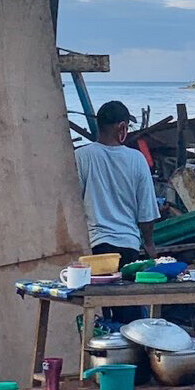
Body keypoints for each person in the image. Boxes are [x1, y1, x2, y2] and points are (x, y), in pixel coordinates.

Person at [74, 100, 159, 266]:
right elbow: (146, 212)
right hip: (129, 245)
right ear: (122, 127)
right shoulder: (137, 159)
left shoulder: (82, 156)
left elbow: (74, 204)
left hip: (95, 246)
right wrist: (149, 243)